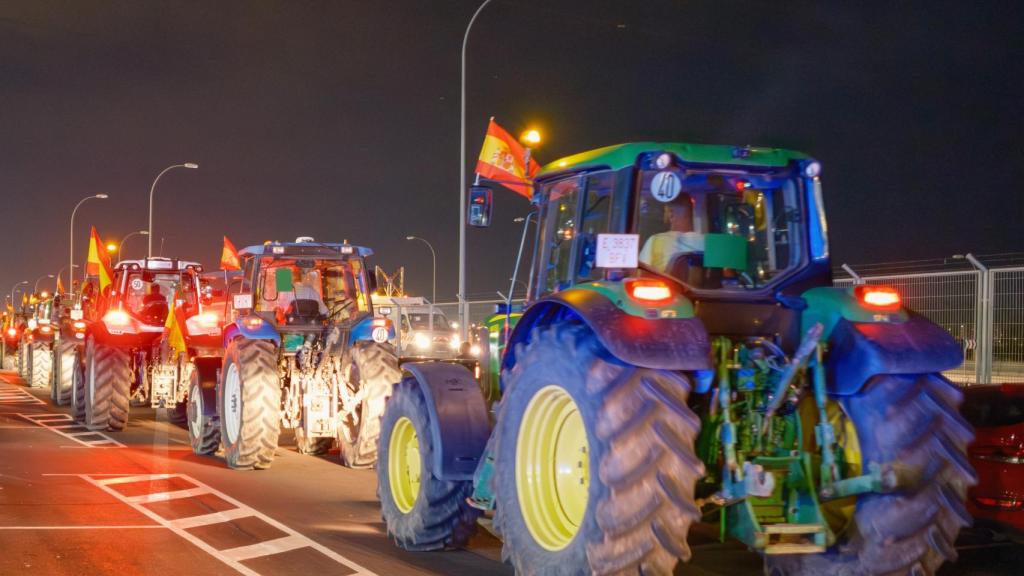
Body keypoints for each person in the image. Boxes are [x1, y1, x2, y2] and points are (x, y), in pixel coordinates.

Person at [639, 196, 705, 273]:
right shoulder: (710, 242)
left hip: (667, 284)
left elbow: (641, 273)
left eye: (665, 211)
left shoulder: (655, 240)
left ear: (670, 214)